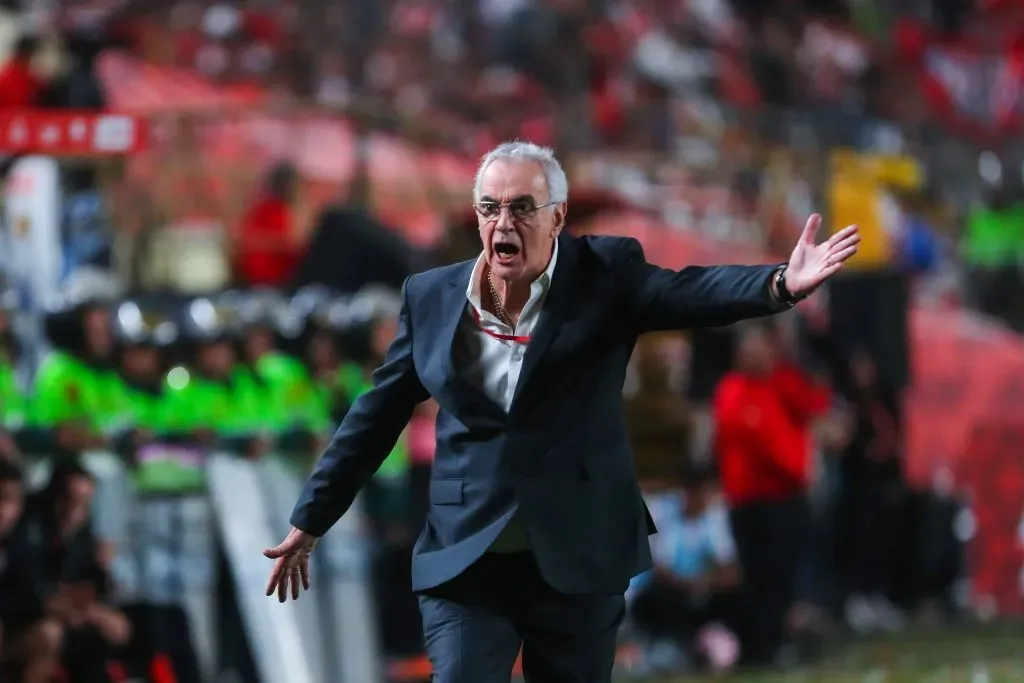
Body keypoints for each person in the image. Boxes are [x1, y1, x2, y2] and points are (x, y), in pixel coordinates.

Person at [263, 141, 860, 683]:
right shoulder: (431, 297)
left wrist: (778, 283)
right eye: (490, 207)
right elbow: (376, 414)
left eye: (523, 207)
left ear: (558, 217)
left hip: (577, 551)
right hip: (468, 557)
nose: (504, 222)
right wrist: (311, 517)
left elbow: (685, 292)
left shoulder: (604, 274)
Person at [712, 322, 816, 666]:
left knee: (784, 576)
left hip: (784, 498)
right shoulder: (733, 390)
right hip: (753, 500)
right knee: (759, 577)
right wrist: (799, 470)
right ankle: (761, 646)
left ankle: (780, 642)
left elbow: (814, 404)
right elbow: (763, 437)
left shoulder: (779, 383)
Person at [627, 464, 740, 673]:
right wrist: (692, 583)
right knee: (667, 597)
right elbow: (660, 568)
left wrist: (703, 582)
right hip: (655, 591)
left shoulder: (715, 517)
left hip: (693, 588)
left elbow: (731, 570)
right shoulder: (662, 511)